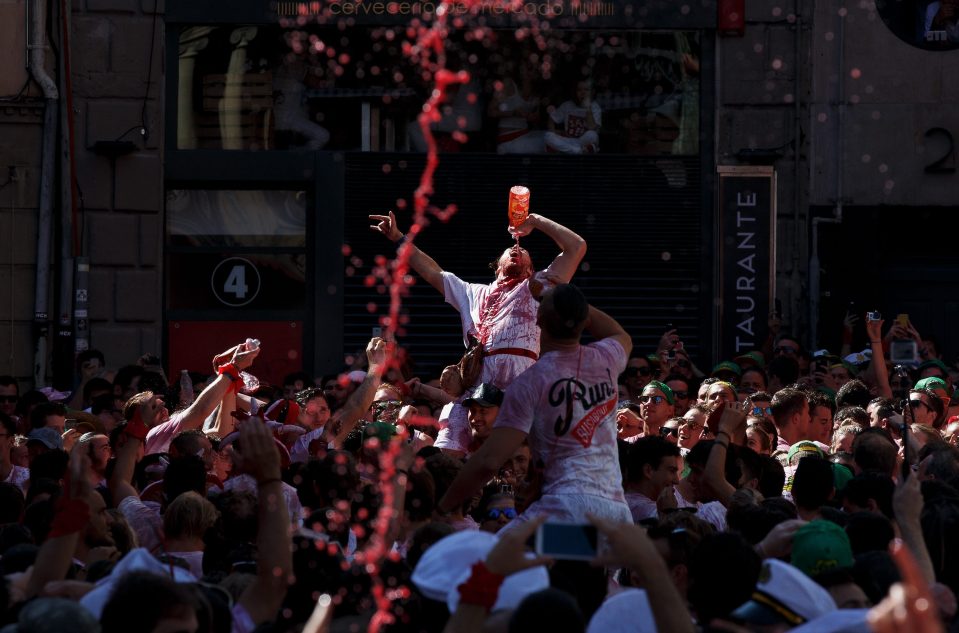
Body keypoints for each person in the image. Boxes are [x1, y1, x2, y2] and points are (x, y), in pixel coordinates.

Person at [436, 284, 632, 531]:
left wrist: (442, 508)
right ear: (584, 320)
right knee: (588, 568)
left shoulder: (529, 383)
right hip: (615, 517)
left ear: (538, 320)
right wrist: (563, 293)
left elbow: (489, 460)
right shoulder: (607, 357)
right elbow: (620, 334)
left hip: (563, 517)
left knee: (492, 561)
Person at [545, 80, 602, 154]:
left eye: (586, 90)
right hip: (567, 140)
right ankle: (577, 151)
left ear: (592, 92)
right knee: (548, 136)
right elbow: (552, 118)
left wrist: (588, 108)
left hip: (582, 141)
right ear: (575, 92)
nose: (583, 93)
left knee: (593, 135)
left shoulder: (595, 107)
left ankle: (568, 150)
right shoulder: (567, 105)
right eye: (579, 90)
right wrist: (554, 131)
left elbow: (592, 127)